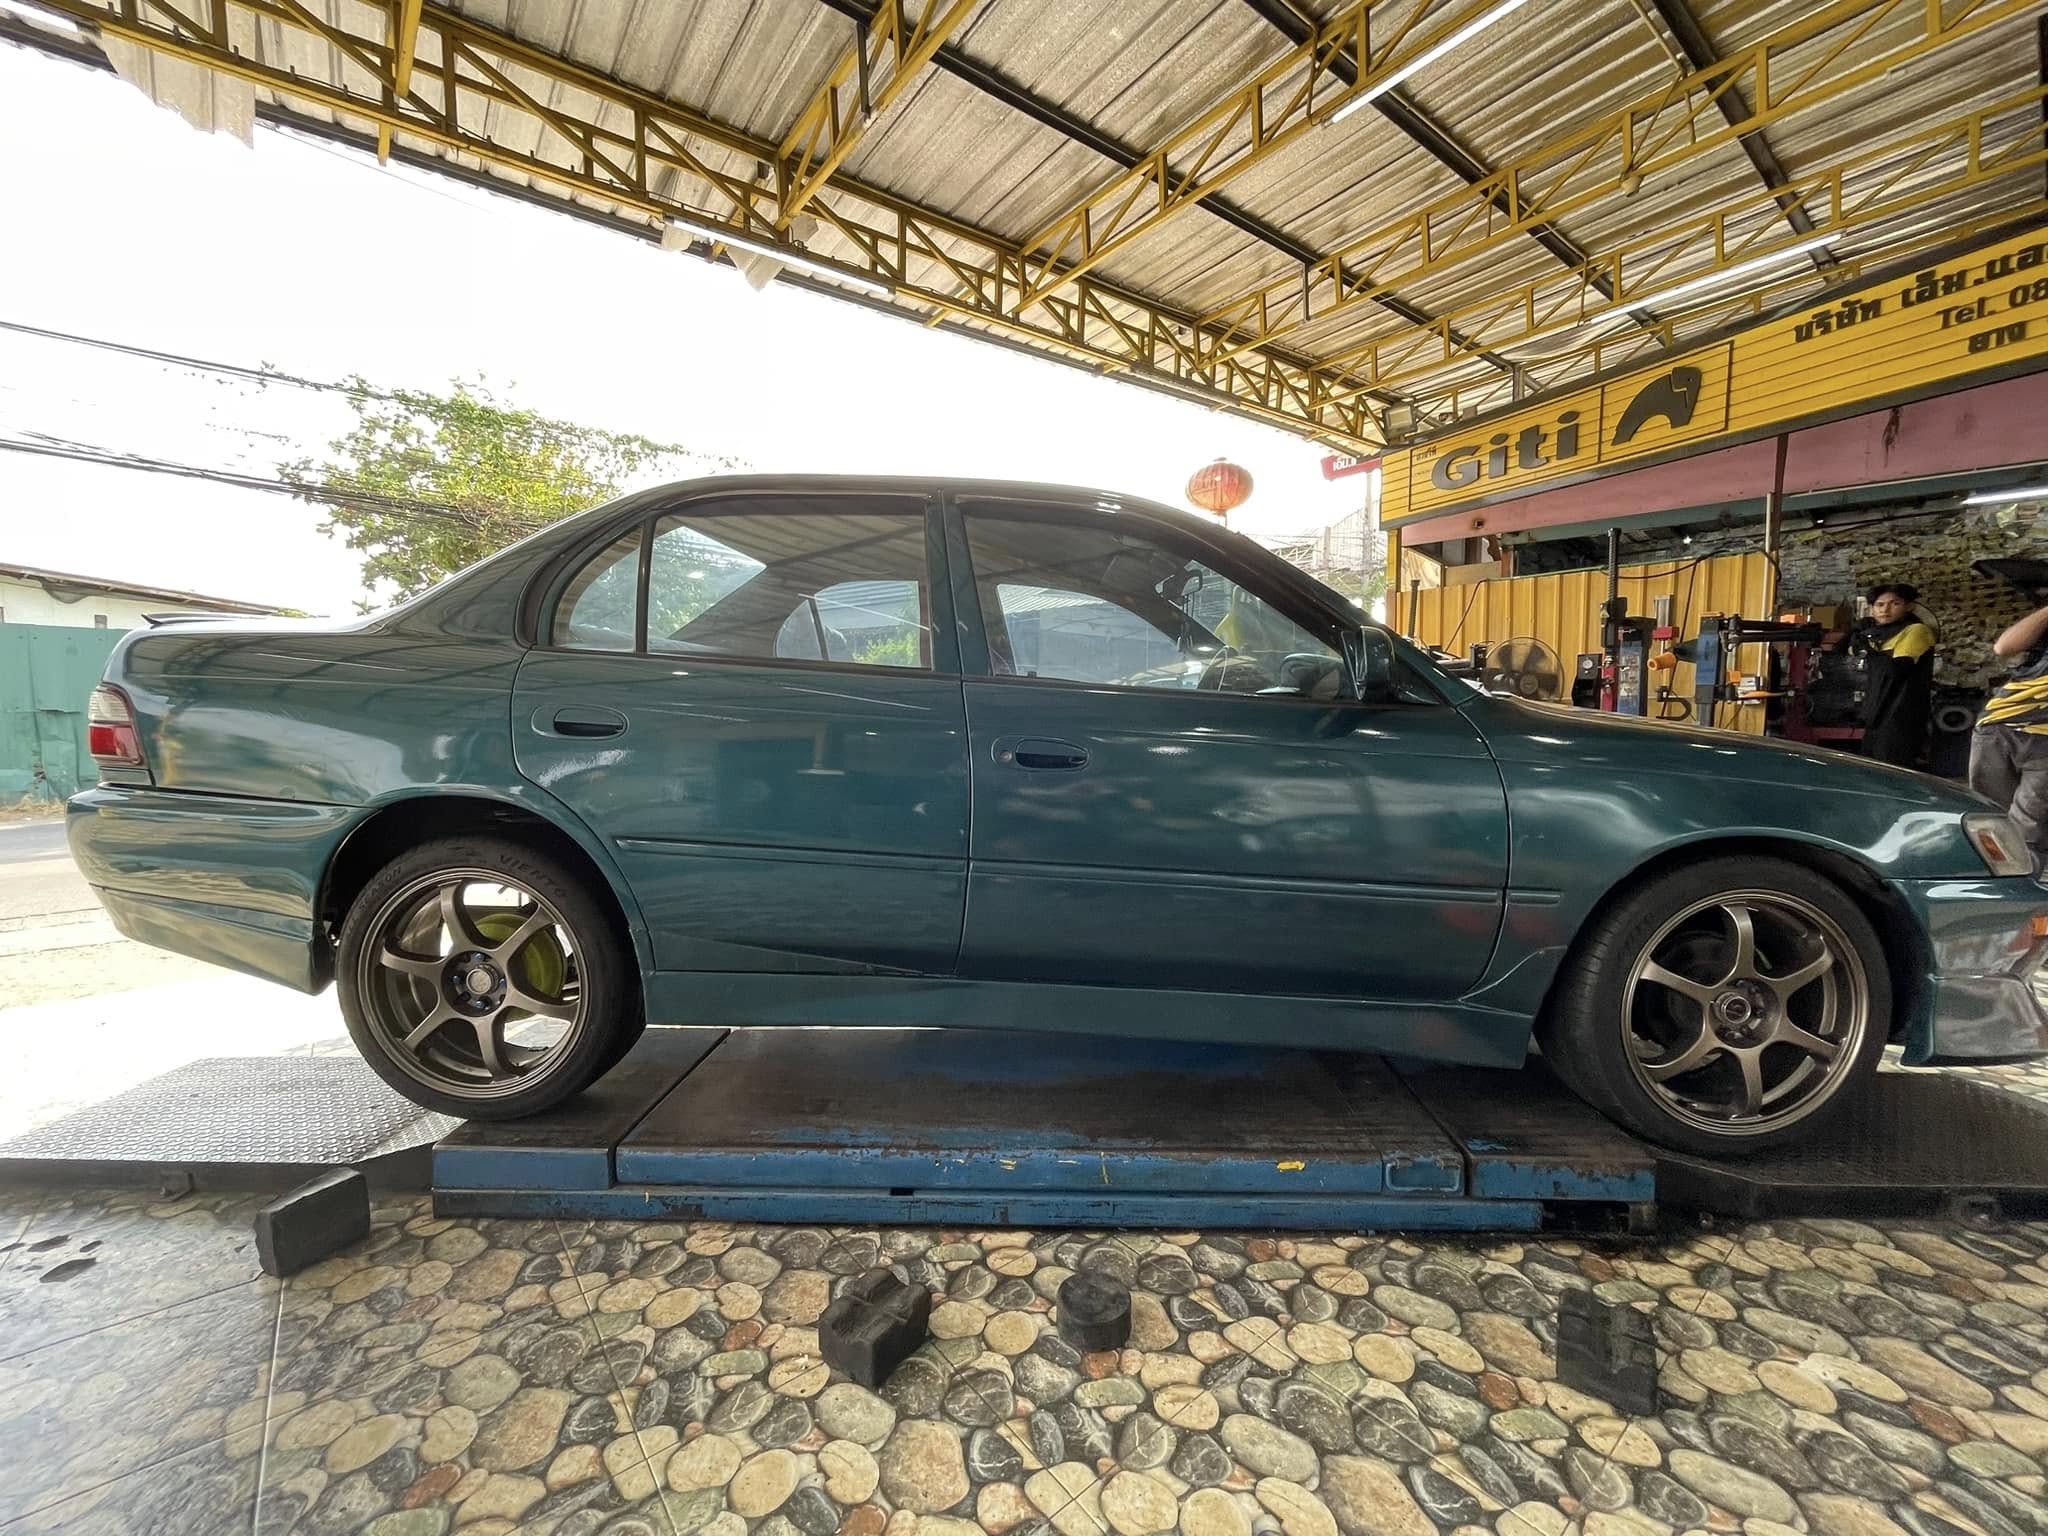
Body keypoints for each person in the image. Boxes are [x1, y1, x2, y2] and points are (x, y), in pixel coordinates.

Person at [1971, 599, 2048, 862]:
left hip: (2044, 740)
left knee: (2026, 829)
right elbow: (2004, 647)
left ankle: (2019, 896)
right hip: (1998, 726)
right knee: (1986, 820)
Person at [1855, 583, 1936, 769]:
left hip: (1900, 712)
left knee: (1892, 767)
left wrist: (1868, 649)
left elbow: (1896, 669)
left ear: (1909, 606)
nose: (1885, 610)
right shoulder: (1875, 635)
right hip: (1877, 711)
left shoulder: (1915, 631)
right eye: (1879, 605)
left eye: (1894, 604)